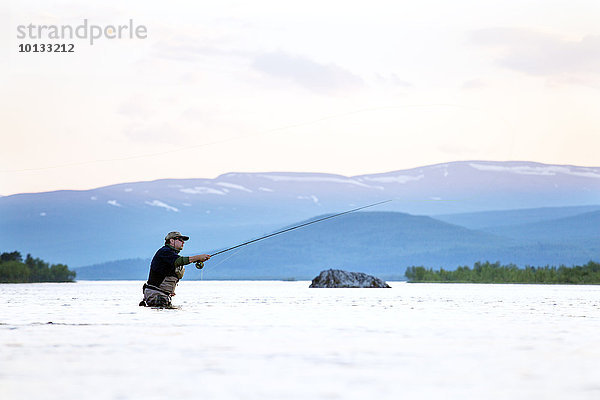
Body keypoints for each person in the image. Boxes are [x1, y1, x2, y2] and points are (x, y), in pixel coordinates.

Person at [140, 231, 211, 308]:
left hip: (160, 295)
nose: (183, 242)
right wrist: (198, 257)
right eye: (180, 240)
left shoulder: (171, 255)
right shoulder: (164, 252)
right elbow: (179, 261)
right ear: (171, 241)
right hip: (156, 295)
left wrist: (170, 291)